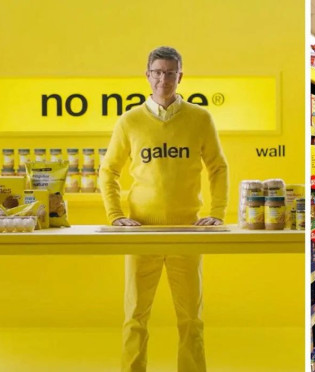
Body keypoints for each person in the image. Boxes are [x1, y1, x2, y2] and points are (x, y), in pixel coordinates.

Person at [99, 46, 229, 372]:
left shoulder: (200, 119)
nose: (163, 79)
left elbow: (218, 168)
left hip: (188, 230)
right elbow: (108, 171)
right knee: (135, 317)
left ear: (180, 76)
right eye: (157, 72)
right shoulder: (129, 122)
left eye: (170, 72)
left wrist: (218, 211)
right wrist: (115, 216)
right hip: (141, 232)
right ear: (147, 76)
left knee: (191, 318)